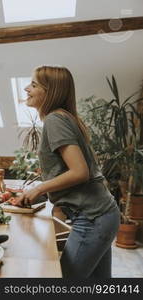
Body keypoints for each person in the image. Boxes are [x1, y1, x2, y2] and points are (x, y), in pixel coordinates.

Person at [15, 65, 120, 278]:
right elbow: (74, 170)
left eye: (34, 84)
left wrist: (38, 189)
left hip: (93, 218)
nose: (27, 88)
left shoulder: (55, 120)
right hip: (104, 214)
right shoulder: (64, 117)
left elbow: (80, 172)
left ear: (50, 91)